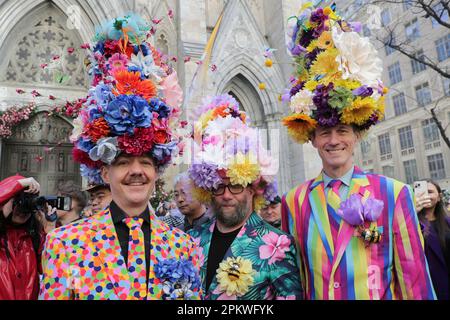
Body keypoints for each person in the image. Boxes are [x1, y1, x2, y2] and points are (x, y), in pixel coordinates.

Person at [39, 14, 202, 300]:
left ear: (157, 170)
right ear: (104, 172)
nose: (136, 171)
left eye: (146, 161)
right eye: (123, 162)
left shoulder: (184, 246)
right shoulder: (64, 244)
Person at [280, 5, 435, 299]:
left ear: (356, 136)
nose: (334, 140)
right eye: (325, 132)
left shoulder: (394, 194)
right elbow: (296, 281)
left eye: (343, 131)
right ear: (312, 139)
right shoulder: (294, 202)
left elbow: (414, 282)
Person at [187, 94, 303, 300]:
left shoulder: (278, 243)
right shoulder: (192, 239)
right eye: (219, 187)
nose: (226, 195)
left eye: (236, 186)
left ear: (253, 188)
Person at [0, 175, 56, 300]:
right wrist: (18, 185)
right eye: (18, 201)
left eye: (28, 202)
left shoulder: (35, 236)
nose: (23, 208)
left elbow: (50, 270)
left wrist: (50, 233)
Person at [415, 179, 450, 300]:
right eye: (422, 193)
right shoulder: (412, 222)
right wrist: (412, 213)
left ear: (439, 197)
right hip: (426, 283)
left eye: (430, 192)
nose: (426, 196)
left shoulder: (447, 222)